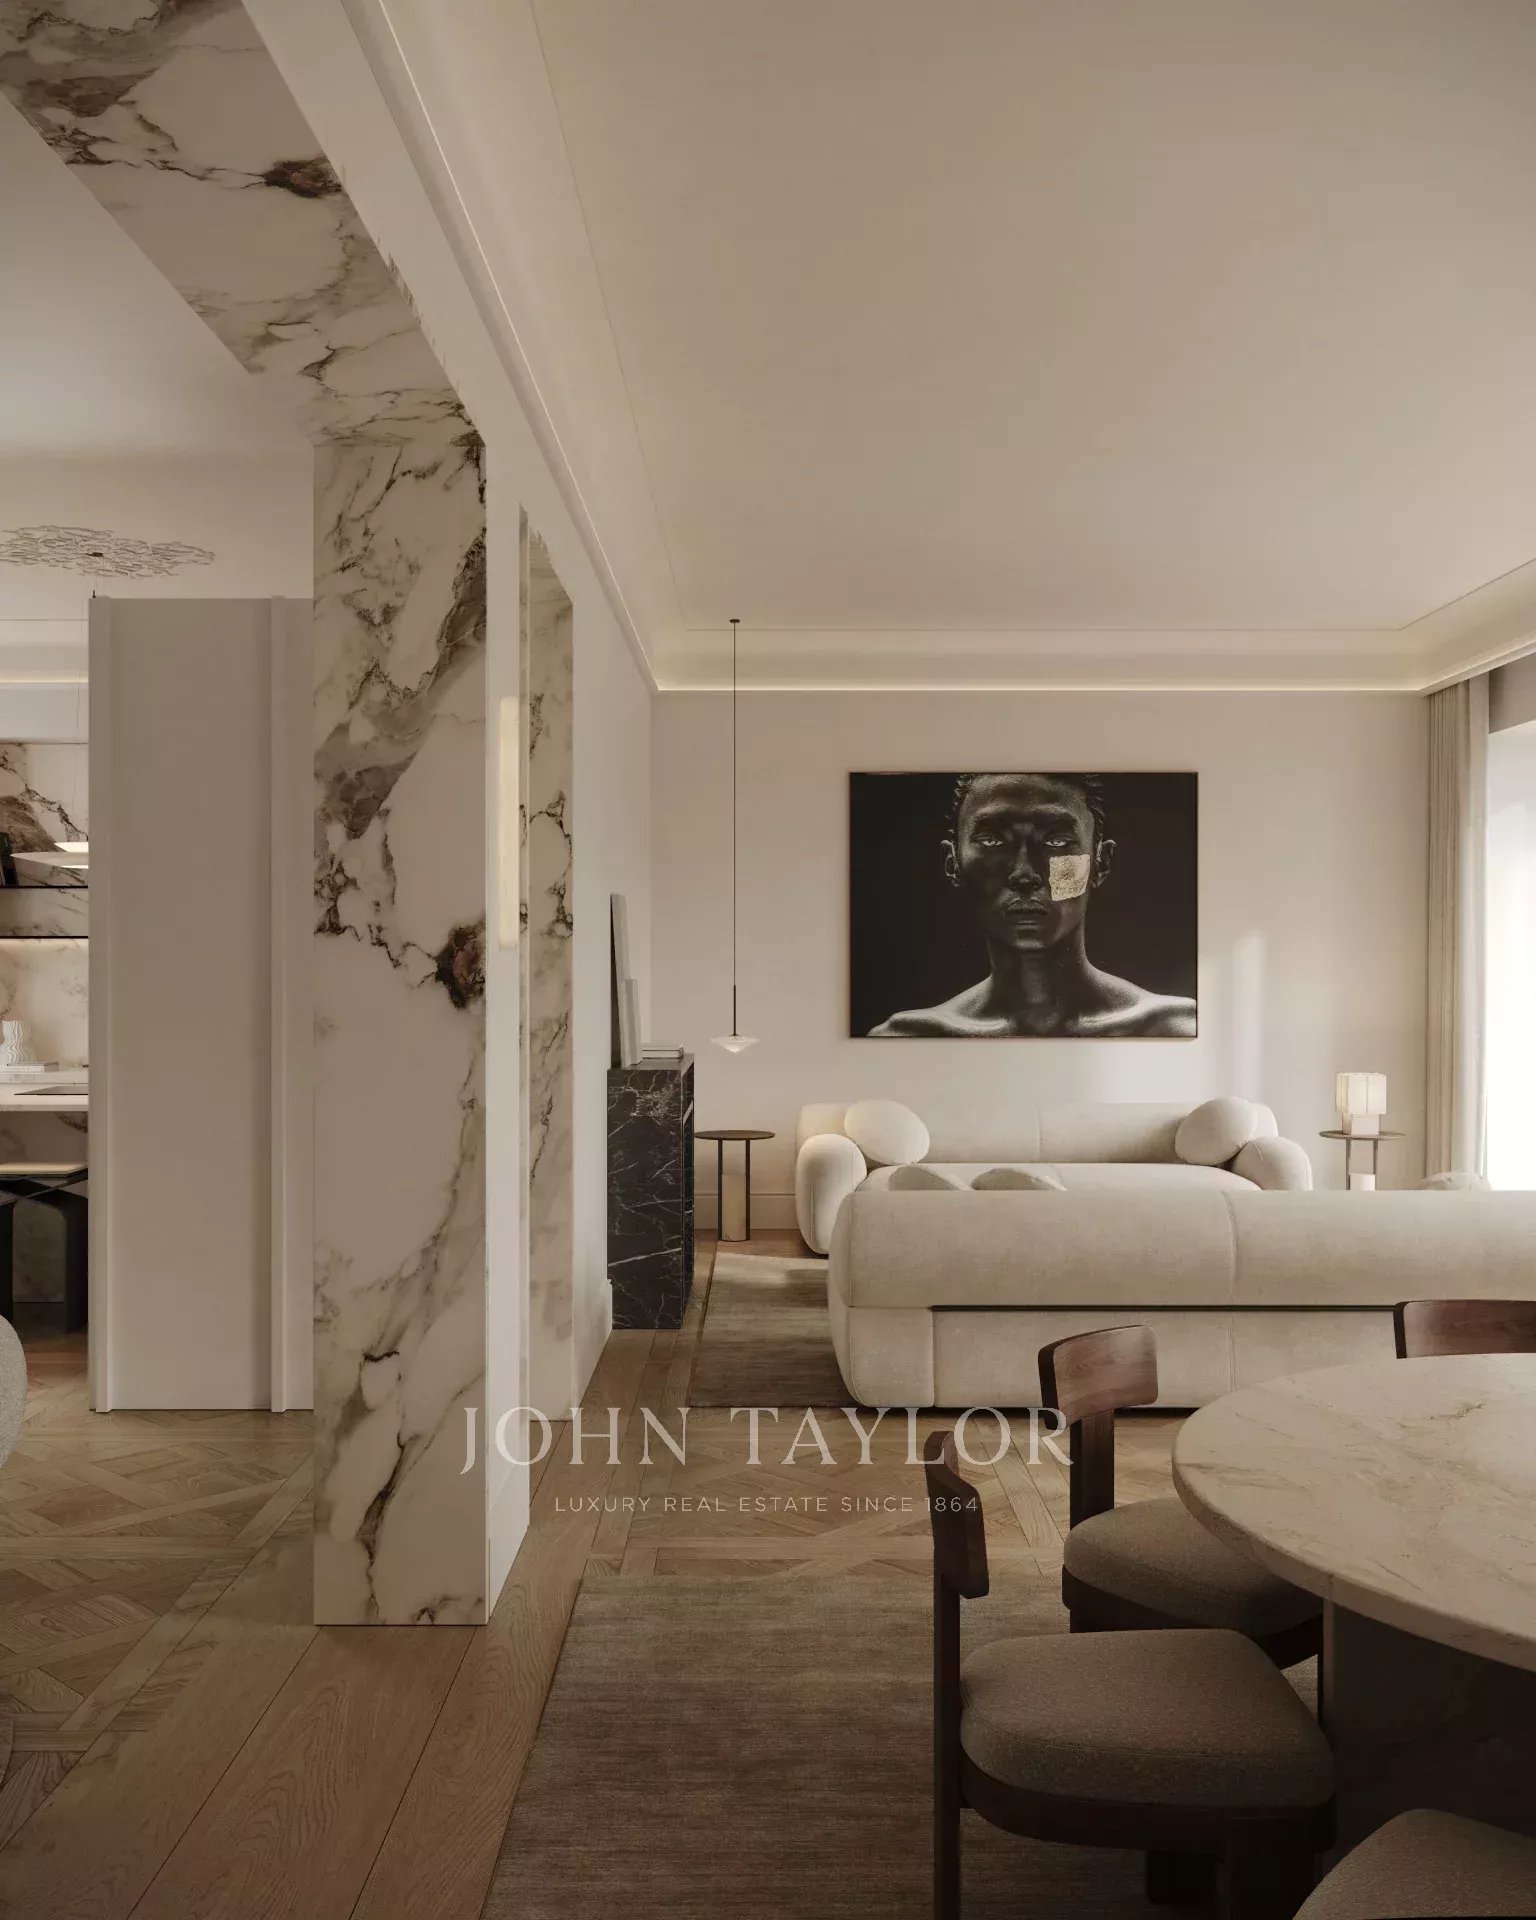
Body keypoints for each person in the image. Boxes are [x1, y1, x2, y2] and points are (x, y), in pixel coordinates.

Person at [868, 772, 1196, 1037]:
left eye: (1057, 841)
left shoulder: (1174, 1029)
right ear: (953, 863)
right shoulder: (907, 1039)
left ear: (1101, 862)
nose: (1025, 875)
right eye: (992, 840)